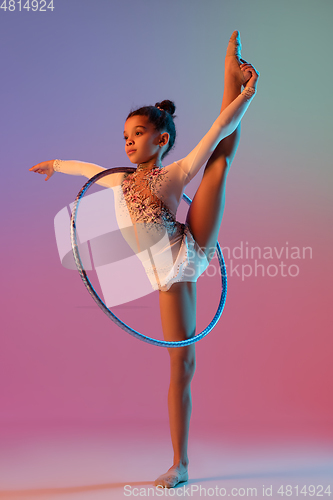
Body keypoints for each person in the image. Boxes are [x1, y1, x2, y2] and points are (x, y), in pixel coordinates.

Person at [30, 31, 259, 488]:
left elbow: (217, 131)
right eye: (125, 136)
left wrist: (247, 95)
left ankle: (230, 75)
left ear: (161, 139)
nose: (129, 142)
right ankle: (183, 463)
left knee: (220, 159)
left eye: (138, 134)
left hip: (187, 249)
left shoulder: (173, 174)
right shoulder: (119, 179)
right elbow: (87, 170)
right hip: (167, 274)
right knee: (183, 366)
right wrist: (56, 163)